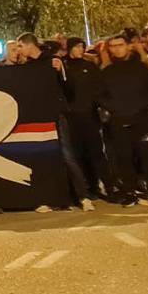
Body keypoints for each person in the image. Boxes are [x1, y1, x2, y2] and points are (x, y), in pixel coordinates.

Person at [93, 36, 148, 206]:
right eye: (113, 47)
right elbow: (100, 95)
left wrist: (142, 107)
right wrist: (114, 108)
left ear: (128, 47)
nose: (117, 49)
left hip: (142, 119)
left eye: (120, 45)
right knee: (124, 157)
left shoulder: (141, 68)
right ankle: (129, 192)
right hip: (119, 120)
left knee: (146, 156)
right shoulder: (107, 72)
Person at [56, 38, 105, 209]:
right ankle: (82, 189)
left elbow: (98, 88)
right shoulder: (64, 66)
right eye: (76, 46)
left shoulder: (89, 66)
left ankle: (95, 186)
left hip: (89, 115)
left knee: (94, 152)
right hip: (71, 117)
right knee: (77, 154)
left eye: (82, 46)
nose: (80, 49)